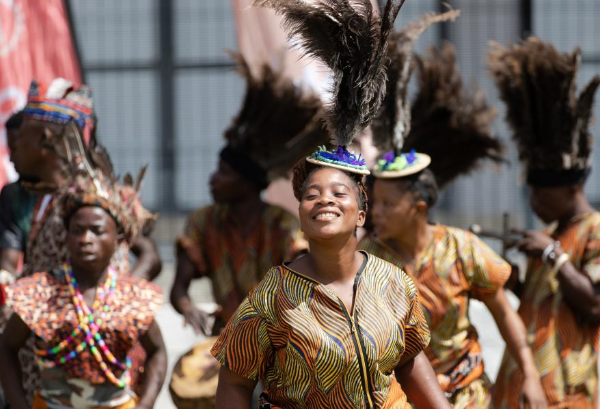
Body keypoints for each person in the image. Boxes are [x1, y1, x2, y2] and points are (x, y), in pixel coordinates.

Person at [213, 1, 452, 407]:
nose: (324, 199)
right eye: (311, 194)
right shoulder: (272, 297)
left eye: (339, 193)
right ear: (301, 215)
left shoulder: (393, 283)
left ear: (361, 213)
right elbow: (234, 383)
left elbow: (411, 361)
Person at [359, 42, 547, 408]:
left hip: (469, 395)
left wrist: (530, 374)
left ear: (418, 206)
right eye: (372, 202)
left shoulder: (462, 248)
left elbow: (504, 315)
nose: (374, 212)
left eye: (385, 204)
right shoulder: (366, 261)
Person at [8, 78, 161, 405]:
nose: (12, 149)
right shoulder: (46, 201)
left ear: (46, 139)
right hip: (46, 379)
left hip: (98, 378)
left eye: (19, 138)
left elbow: (144, 255)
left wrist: (127, 297)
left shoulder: (94, 202)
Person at [170, 52, 327, 336]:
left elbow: (304, 286)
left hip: (280, 342)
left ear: (247, 184)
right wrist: (188, 307)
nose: (213, 179)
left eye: (224, 173)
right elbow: (179, 288)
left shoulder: (283, 225)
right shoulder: (203, 223)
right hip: (228, 340)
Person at [489, 37, 600, 409]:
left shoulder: (595, 229)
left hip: (565, 391)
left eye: (540, 194)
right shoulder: (552, 236)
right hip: (524, 388)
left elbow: (595, 305)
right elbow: (549, 306)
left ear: (571, 188)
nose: (533, 203)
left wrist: (552, 254)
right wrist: (517, 283)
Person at [0, 169, 166, 409]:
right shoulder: (43, 293)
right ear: (66, 237)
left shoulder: (131, 296)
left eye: (97, 231)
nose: (85, 239)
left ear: (118, 238)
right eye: (77, 231)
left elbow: (158, 350)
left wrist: (146, 403)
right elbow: (6, 347)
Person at [0, 112, 37, 310]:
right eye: (9, 150)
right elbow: (8, 263)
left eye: (17, 149)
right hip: (36, 302)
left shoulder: (76, 193)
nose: (12, 158)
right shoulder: (12, 195)